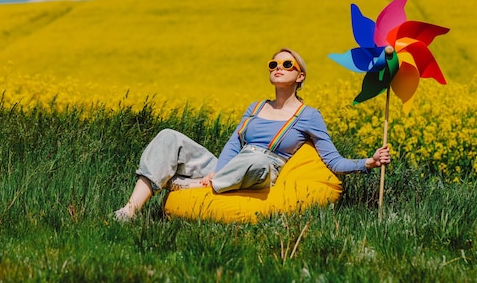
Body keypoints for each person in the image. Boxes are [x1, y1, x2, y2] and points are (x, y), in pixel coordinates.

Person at [114, 48, 391, 221]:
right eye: (274, 65)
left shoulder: (309, 116)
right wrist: (216, 172)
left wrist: (368, 162)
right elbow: (234, 143)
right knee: (168, 136)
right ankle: (129, 211)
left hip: (262, 172)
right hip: (229, 172)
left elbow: (333, 161)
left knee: (256, 161)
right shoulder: (256, 107)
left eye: (287, 65)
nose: (278, 69)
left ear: (301, 76)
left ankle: (185, 184)